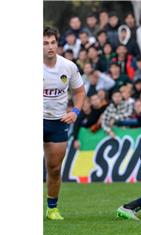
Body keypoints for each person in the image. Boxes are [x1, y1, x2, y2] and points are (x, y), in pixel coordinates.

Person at [43, 27, 86, 220]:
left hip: (58, 122)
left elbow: (79, 92)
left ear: (58, 44)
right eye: (45, 43)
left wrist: (75, 111)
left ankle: (52, 208)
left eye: (53, 42)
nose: (50, 47)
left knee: (54, 168)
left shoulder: (68, 66)